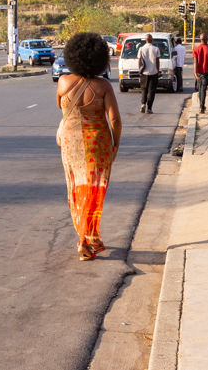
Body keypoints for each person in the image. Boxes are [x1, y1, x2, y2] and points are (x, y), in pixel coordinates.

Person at [55, 32, 123, 261]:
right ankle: (86, 238)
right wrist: (116, 145)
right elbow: (114, 120)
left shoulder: (63, 82)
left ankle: (84, 237)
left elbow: (61, 109)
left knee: (76, 189)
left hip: (70, 145)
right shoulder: (103, 85)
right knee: (93, 191)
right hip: (98, 144)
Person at [138, 34, 161, 114]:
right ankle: (149, 108)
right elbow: (157, 61)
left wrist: (140, 70)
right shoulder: (156, 49)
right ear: (152, 40)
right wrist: (157, 70)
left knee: (144, 89)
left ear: (145, 40)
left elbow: (139, 61)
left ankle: (143, 103)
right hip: (153, 72)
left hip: (144, 72)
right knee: (151, 90)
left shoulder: (141, 49)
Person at [192, 33, 208, 114]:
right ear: (206, 39)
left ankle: (201, 105)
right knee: (203, 89)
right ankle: (202, 106)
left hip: (198, 71)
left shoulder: (196, 49)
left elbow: (195, 61)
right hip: (206, 71)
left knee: (200, 88)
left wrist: (195, 71)